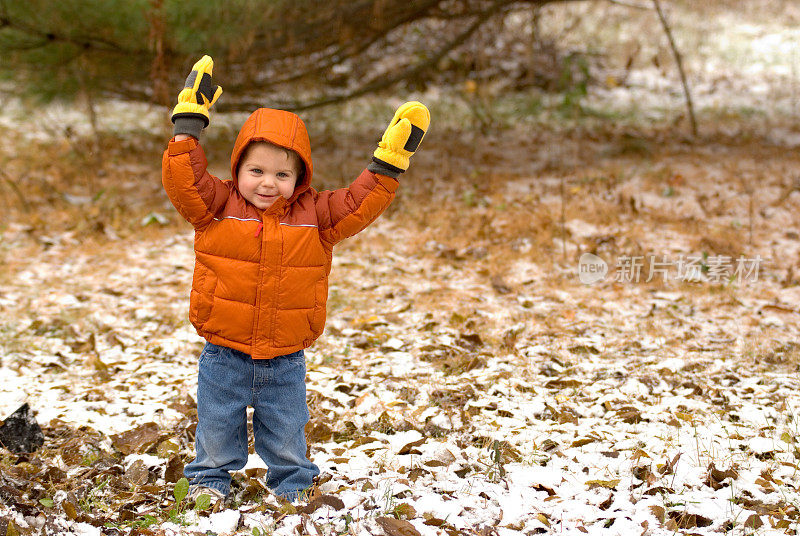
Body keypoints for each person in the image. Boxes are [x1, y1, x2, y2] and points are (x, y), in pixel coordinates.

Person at [161, 55, 430, 502]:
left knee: (286, 428)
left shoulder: (317, 215)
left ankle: (294, 484)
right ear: (238, 169)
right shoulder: (215, 206)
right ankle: (209, 480)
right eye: (257, 171)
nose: (268, 184)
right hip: (223, 350)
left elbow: (357, 204)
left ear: (300, 175)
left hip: (285, 355)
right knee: (216, 424)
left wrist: (388, 166)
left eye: (283, 174)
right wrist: (187, 126)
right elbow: (182, 179)